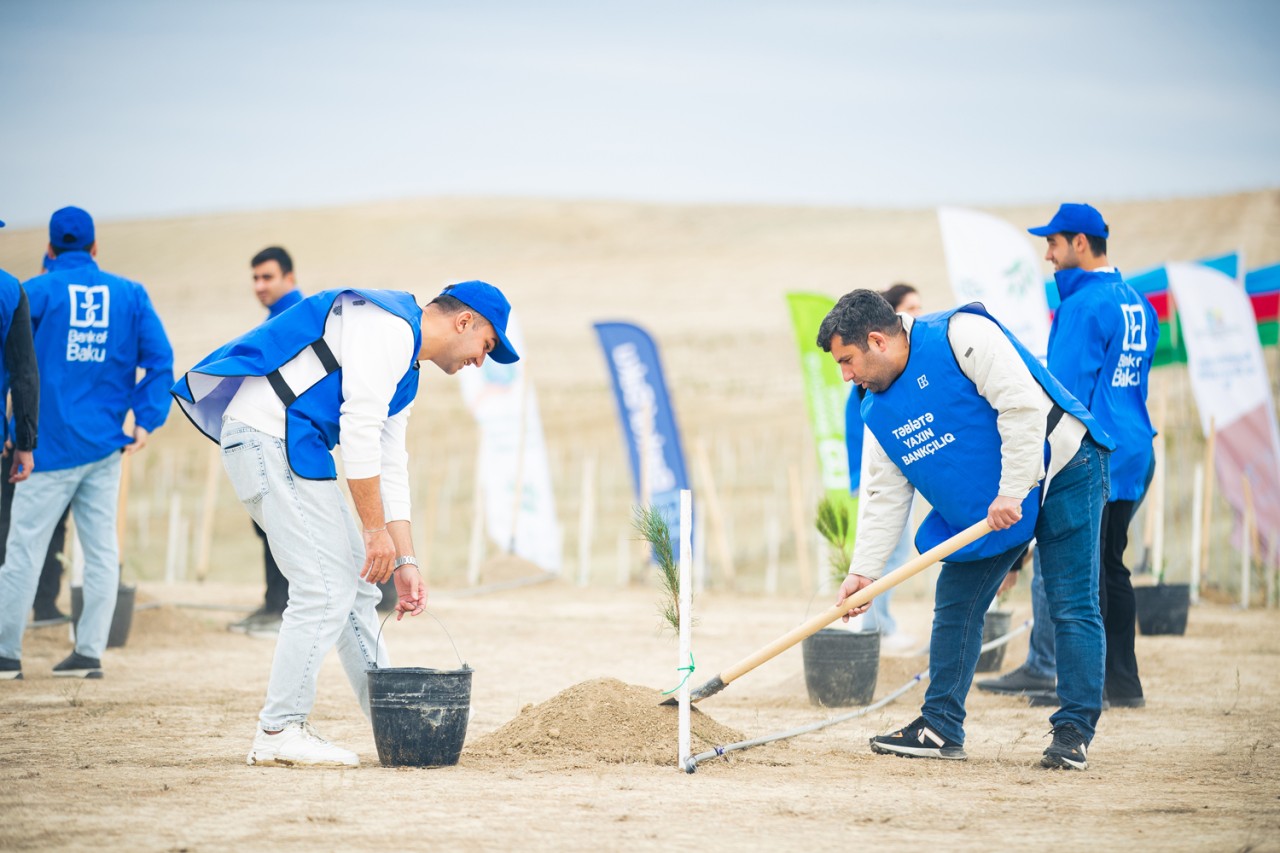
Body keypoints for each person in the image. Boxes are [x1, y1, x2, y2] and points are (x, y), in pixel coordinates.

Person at [172, 280, 519, 768]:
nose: (481, 361)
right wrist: (373, 532)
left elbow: (389, 463)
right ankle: (278, 729)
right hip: (266, 439)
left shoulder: (407, 368)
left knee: (356, 587)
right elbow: (357, 431)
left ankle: (395, 718)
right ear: (464, 322)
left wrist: (405, 559)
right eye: (486, 345)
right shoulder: (390, 328)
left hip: (291, 448)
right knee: (322, 586)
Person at [818, 289, 1112, 770]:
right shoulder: (877, 408)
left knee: (1070, 601)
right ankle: (939, 726)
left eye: (848, 360)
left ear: (877, 340)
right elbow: (885, 492)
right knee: (956, 601)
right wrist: (865, 572)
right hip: (986, 500)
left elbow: (1021, 408)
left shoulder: (961, 334)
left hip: (1063, 467)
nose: (846, 375)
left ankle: (1073, 731)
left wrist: (1014, 490)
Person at [979, 204, 1157, 709]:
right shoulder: (1136, 302)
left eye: (1053, 244)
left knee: (1083, 577)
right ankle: (1122, 684)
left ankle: (1086, 689)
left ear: (1081, 243)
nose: (1048, 255)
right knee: (1111, 567)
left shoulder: (1081, 307)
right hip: (1135, 448)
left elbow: (1062, 395)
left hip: (1095, 454)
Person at [0, 206, 173, 680]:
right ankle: (88, 653)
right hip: (104, 448)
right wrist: (146, 418)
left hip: (44, 449)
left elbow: (7, 366)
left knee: (23, 550)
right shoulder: (130, 294)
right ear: (95, 248)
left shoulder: (31, 291)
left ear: (49, 250)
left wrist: (9, 435)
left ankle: (6, 656)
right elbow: (160, 361)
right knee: (101, 551)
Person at [226, 246, 304, 637]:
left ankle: (284, 607)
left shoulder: (293, 317)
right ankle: (274, 602)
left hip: (284, 435)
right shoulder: (278, 318)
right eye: (255, 278)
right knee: (269, 524)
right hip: (274, 434)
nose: (260, 285)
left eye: (268, 277)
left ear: (289, 278)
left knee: (281, 522)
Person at [845, 283, 923, 653]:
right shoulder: (874, 377)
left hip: (887, 475)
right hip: (876, 477)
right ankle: (878, 629)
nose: (916, 316)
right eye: (910, 308)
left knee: (895, 551)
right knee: (886, 552)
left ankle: (881, 625)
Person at [0, 248, 66, 627]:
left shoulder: (28, 289)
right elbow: (23, 371)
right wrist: (23, 440)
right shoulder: (9, 289)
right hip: (66, 442)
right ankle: (44, 607)